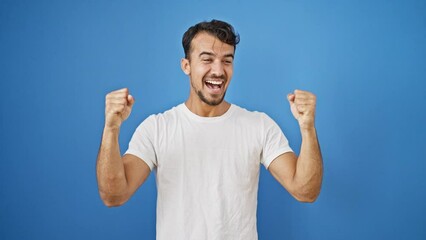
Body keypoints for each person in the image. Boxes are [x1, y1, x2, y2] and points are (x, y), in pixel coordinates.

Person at [96, 19, 323, 240]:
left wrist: (307, 128)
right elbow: (114, 195)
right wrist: (111, 129)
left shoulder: (259, 125)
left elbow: (305, 191)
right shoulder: (157, 128)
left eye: (227, 60)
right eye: (207, 59)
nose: (218, 70)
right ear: (186, 66)